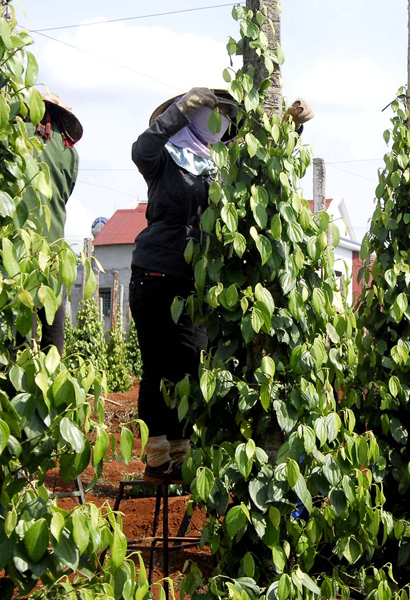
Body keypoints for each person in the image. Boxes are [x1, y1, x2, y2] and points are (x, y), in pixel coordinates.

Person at [130, 86, 313, 482]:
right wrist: (179, 110)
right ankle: (158, 455)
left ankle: (182, 449)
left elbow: (263, 171)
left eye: (222, 115)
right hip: (155, 274)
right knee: (157, 365)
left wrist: (291, 130)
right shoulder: (162, 159)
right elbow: (140, 147)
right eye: (207, 112)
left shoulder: (220, 167)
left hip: (196, 284)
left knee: (191, 366)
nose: (218, 120)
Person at [27, 92, 82, 354]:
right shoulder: (70, 154)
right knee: (53, 338)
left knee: (20, 338)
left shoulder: (18, 136)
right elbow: (65, 195)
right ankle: (51, 390)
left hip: (20, 253)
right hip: (54, 252)